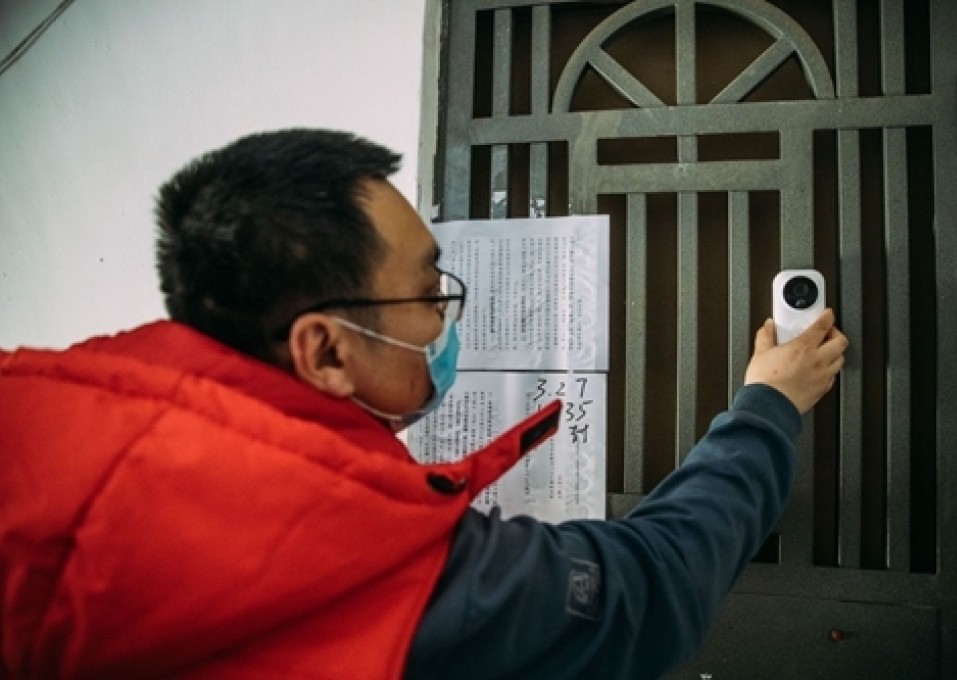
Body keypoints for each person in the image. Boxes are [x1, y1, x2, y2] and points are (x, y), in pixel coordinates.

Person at [0, 129, 848, 679]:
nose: (446, 309)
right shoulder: (363, 560)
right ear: (324, 350)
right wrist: (768, 406)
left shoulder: (54, 409)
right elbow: (643, 594)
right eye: (425, 289)